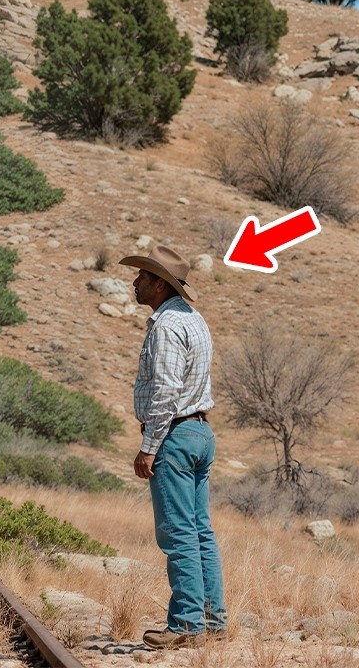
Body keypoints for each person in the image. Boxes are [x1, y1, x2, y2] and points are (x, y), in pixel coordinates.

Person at [120, 245, 225, 650]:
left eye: (143, 276)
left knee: (179, 534)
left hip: (175, 436)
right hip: (199, 432)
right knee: (200, 532)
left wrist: (149, 446)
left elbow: (165, 390)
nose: (135, 282)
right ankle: (213, 622)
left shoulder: (165, 326)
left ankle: (186, 624)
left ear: (159, 284)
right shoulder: (194, 320)